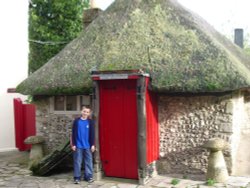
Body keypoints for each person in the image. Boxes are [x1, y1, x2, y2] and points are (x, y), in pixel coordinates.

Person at [70, 106, 95, 184]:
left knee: (89, 162)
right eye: (84, 111)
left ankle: (88, 177)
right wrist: (73, 144)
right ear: (81, 111)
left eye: (87, 112)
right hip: (78, 145)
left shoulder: (90, 122)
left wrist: (93, 145)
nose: (85, 113)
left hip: (87, 146)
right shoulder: (76, 121)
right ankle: (77, 177)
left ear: (89, 113)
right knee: (77, 162)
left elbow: (92, 134)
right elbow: (73, 133)